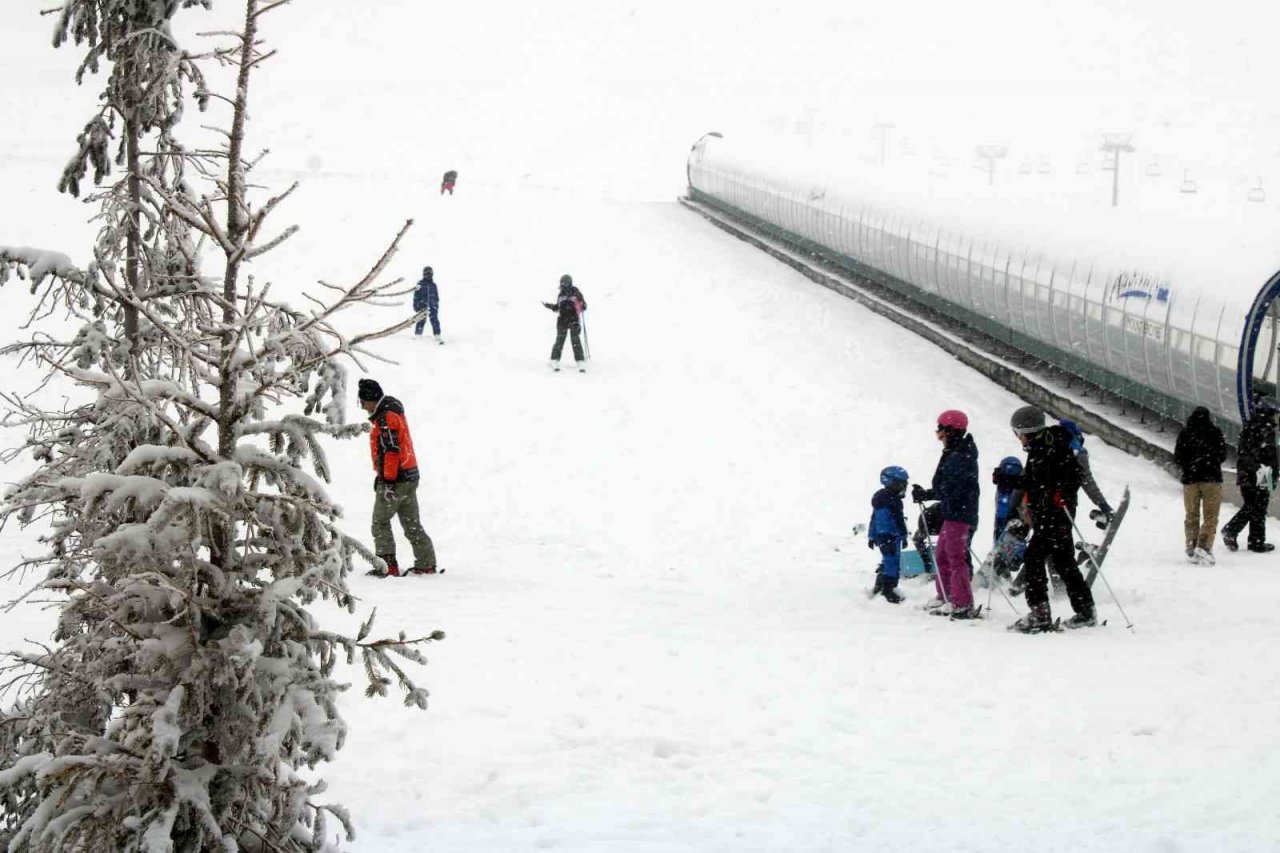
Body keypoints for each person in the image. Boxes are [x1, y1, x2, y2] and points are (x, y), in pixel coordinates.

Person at [1007, 405, 1096, 631]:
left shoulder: (1052, 446)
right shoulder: (1040, 447)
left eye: (1018, 433)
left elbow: (1072, 476)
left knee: (1034, 558)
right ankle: (1085, 611)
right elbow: (1033, 481)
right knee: (1064, 562)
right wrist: (1009, 480)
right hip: (1049, 513)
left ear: (1027, 431)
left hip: (1055, 514)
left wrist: (1061, 494)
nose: (1018, 438)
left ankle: (1040, 613)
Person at [357, 379, 438, 577]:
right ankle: (426, 563)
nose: (362, 406)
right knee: (411, 523)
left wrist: (387, 480)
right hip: (409, 475)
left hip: (396, 480)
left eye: (362, 402)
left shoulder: (385, 418)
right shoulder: (392, 411)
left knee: (380, 522)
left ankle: (387, 565)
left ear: (371, 399)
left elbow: (391, 451)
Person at [911, 410, 980, 618]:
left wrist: (929, 494)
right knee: (942, 555)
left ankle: (962, 603)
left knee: (954, 558)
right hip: (951, 512)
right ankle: (947, 596)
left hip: (960, 514)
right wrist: (928, 493)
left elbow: (951, 487)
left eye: (940, 431)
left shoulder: (961, 456)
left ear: (951, 431)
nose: (939, 436)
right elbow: (945, 486)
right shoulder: (954, 452)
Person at [1221, 398, 1279, 553]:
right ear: (1269, 412)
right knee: (1256, 506)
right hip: (1260, 473)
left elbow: (1245, 452)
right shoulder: (1265, 430)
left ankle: (1255, 540)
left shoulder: (1251, 426)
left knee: (1254, 506)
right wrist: (1269, 474)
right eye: (1275, 414)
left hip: (1249, 472)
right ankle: (1235, 531)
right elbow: (1268, 456)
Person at [1173, 406, 1228, 564]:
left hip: (1190, 481)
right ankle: (1204, 546)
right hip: (1211, 479)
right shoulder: (1215, 432)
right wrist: (1210, 461)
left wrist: (1189, 466)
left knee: (1191, 514)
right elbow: (1222, 455)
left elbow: (1178, 457)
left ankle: (1191, 546)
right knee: (1211, 516)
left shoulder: (1185, 433)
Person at [867, 466, 910, 604]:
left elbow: (874, 518)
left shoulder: (879, 497)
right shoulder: (894, 500)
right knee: (892, 562)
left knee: (887, 560)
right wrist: (904, 535)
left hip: (881, 536)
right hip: (891, 535)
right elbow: (898, 520)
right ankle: (888, 590)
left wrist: (872, 535)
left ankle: (880, 585)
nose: (903, 487)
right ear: (891, 482)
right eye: (901, 484)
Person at [1058, 419, 1114, 524]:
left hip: (1040, 502)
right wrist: (1103, 504)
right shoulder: (1077, 453)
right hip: (1063, 504)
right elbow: (1087, 480)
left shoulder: (1047, 446)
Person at [543, 274, 587, 372]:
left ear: (569, 283)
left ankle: (580, 360)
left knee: (575, 340)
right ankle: (554, 359)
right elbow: (558, 307)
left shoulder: (576, 293)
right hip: (562, 319)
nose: (562, 285)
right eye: (562, 283)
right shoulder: (561, 294)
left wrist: (582, 304)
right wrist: (549, 306)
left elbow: (583, 306)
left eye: (564, 283)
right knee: (560, 340)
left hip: (573, 319)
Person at [413, 266, 442, 344]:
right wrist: (416, 306)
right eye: (426, 274)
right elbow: (416, 296)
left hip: (432, 306)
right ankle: (418, 335)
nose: (428, 276)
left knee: (435, 320)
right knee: (421, 320)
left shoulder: (433, 285)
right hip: (422, 306)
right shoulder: (420, 284)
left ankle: (437, 335)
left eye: (429, 274)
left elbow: (436, 296)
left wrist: (436, 305)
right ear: (423, 274)